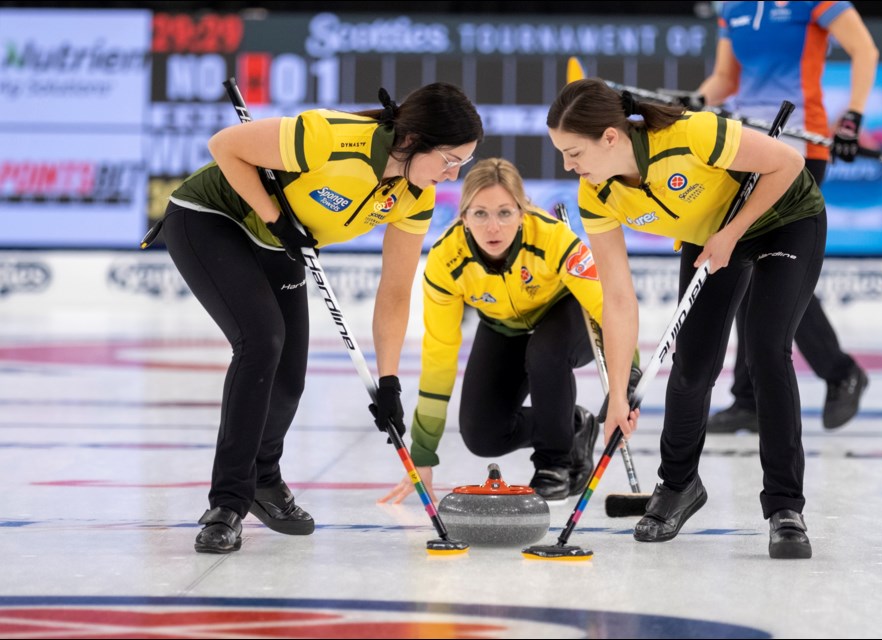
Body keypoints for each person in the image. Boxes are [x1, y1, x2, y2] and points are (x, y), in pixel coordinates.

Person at [147, 83, 483, 553]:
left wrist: (389, 382)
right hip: (211, 218)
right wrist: (277, 218)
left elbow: (394, 292)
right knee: (261, 341)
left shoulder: (415, 196)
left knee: (288, 376)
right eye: (449, 160)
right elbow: (224, 146)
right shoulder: (331, 136)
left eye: (461, 165)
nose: (452, 174)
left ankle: (264, 479)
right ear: (413, 140)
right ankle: (227, 503)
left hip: (278, 239)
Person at [547, 77, 827, 559]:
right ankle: (678, 486)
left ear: (610, 138)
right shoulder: (597, 194)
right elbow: (616, 297)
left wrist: (735, 232)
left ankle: (785, 506)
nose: (569, 166)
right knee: (692, 365)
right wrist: (617, 395)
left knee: (765, 348)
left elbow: (790, 162)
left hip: (785, 217)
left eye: (574, 153)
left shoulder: (690, 134)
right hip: (709, 232)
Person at [378, 158, 618, 504]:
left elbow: (609, 308)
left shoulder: (552, 237)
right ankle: (574, 426)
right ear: (463, 216)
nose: (493, 227)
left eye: (505, 213)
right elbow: (439, 355)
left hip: (568, 315)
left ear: (523, 212)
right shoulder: (446, 261)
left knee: (546, 354)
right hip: (503, 325)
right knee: (482, 435)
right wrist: (423, 454)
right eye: (480, 214)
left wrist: (629, 377)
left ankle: (554, 463)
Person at [691, 0, 877, 433]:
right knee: (745, 263)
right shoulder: (733, 8)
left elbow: (865, 50)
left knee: (768, 265)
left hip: (797, 149)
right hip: (746, 146)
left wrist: (852, 118)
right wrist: (695, 100)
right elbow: (725, 79)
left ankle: (837, 371)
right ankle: (753, 397)